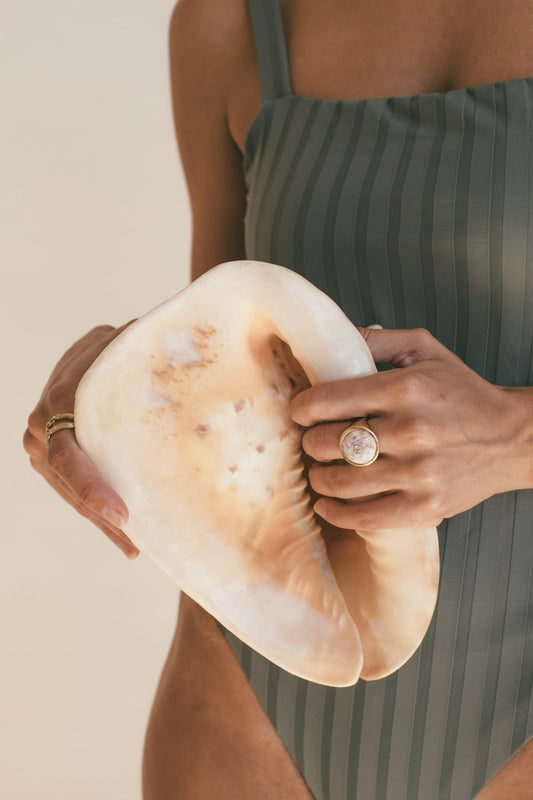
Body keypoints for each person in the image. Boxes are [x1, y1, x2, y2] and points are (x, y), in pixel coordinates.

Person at [24, 0, 533, 797]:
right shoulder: (227, 21)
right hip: (250, 697)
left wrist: (514, 436)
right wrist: (101, 394)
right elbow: (222, 340)